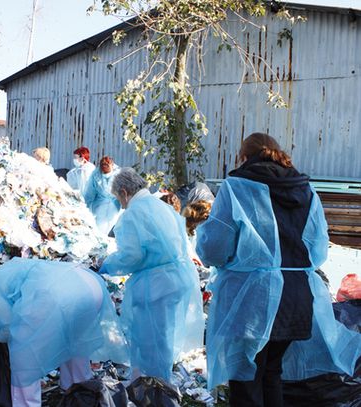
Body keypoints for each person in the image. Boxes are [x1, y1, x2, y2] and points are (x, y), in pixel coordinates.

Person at [196, 133, 361, 407]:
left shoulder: (237, 186)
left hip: (250, 299)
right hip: (295, 299)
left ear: (245, 157)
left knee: (245, 378)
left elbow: (214, 247)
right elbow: (318, 248)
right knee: (272, 372)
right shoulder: (305, 190)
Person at [0, 257, 128, 407]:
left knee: (24, 359)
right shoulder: (10, 269)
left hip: (56, 296)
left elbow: (10, 329)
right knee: (74, 344)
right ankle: (80, 395)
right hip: (89, 286)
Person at [99, 168, 205, 382]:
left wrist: (105, 265)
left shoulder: (132, 214)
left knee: (149, 340)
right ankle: (156, 383)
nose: (120, 203)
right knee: (163, 336)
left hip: (156, 284)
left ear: (124, 192)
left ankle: (154, 388)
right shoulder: (159, 204)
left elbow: (132, 256)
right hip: (176, 277)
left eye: (118, 198)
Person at [83, 156, 121, 235]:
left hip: (116, 204)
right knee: (100, 227)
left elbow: (126, 192)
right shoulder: (95, 175)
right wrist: (84, 207)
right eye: (103, 172)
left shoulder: (120, 175)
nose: (105, 174)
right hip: (101, 204)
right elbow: (89, 194)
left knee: (113, 225)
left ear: (112, 166)